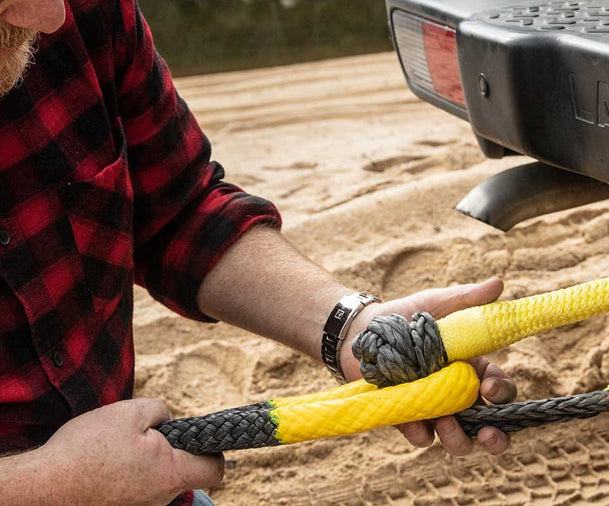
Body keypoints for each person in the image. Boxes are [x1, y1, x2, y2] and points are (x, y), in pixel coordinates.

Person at [0, 1, 518, 504]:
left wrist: (351, 329)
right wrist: (52, 485)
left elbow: (180, 212)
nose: (52, 15)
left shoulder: (82, 10)